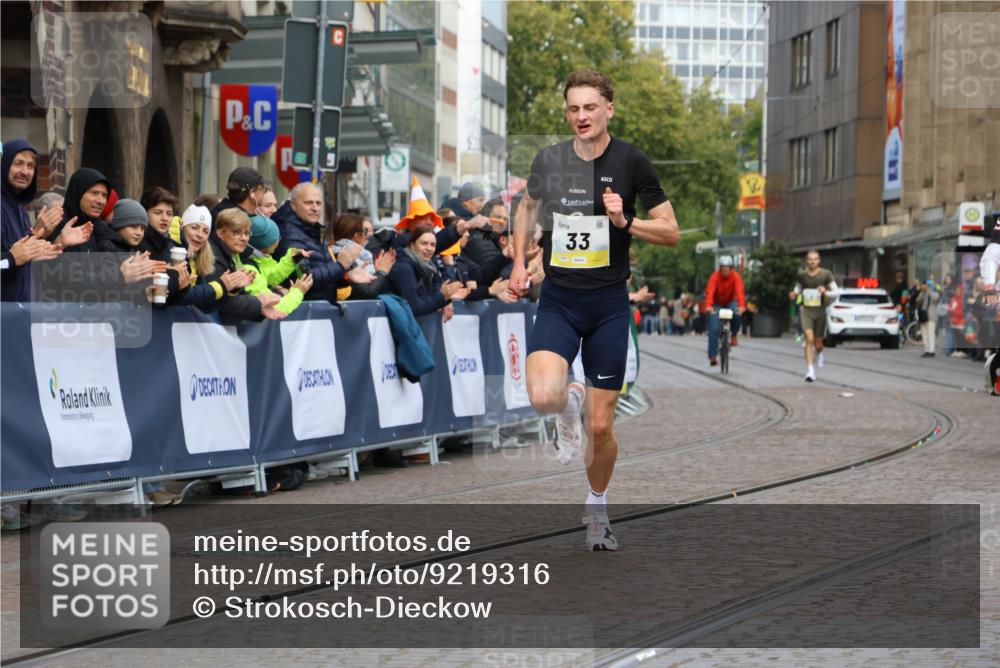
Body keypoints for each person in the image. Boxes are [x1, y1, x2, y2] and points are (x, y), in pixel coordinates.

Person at [509, 69, 679, 551]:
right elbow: (526, 207)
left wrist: (625, 221)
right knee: (543, 395)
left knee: (601, 427)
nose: (581, 116)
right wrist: (519, 261)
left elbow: (670, 231)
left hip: (607, 306)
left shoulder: (631, 161)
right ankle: (567, 409)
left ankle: (597, 509)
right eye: (573, 108)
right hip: (560, 300)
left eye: (589, 107)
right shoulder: (550, 159)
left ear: (609, 109)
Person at [273, 182, 357, 303]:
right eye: (308, 203)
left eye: (318, 203)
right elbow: (303, 278)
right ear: (294, 205)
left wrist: (346, 276)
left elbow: (324, 274)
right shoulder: (289, 235)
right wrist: (340, 266)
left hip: (319, 308)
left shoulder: (314, 230)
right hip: (301, 309)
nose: (315, 208)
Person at [1, 139, 63, 301]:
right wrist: (10, 259)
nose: (25, 172)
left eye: (30, 166)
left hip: (22, 311)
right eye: (18, 163)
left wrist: (41, 236)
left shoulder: (20, 210)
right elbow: (13, 257)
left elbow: (22, 255)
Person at [209, 207, 286, 322]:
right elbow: (223, 304)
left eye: (247, 233)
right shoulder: (214, 257)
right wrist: (259, 303)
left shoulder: (233, 254)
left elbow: (236, 294)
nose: (244, 238)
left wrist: (261, 306)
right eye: (237, 232)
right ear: (220, 233)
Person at [390, 223, 470, 320]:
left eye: (433, 245)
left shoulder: (429, 266)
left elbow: (431, 297)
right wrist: (443, 296)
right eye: (424, 243)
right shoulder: (404, 269)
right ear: (412, 245)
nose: (429, 248)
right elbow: (414, 308)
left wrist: (446, 297)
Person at [789, 249, 838, 382]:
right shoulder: (802, 275)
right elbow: (798, 288)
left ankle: (820, 352)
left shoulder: (826, 274)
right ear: (806, 261)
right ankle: (810, 371)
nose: (812, 262)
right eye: (810, 259)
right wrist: (794, 294)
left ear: (819, 261)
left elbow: (837, 292)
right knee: (809, 339)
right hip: (806, 310)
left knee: (818, 342)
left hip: (820, 311)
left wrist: (825, 291)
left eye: (815, 259)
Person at [325, 212, 395, 300]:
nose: (367, 235)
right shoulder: (348, 256)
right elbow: (366, 292)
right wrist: (381, 272)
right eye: (364, 231)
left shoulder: (332, 252)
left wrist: (376, 271)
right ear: (357, 236)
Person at [704, 256, 746, 366]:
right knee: (713, 327)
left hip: (731, 302)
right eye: (723, 268)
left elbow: (740, 291)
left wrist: (742, 306)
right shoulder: (714, 277)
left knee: (736, 314)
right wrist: (708, 306)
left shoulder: (736, 277)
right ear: (720, 268)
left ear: (731, 268)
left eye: (727, 268)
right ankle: (713, 356)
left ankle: (734, 335)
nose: (725, 270)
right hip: (717, 304)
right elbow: (710, 292)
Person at [916, 278, 940, 357]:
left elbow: (935, 298)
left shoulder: (934, 293)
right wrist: (922, 292)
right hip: (923, 316)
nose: (924, 286)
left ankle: (931, 351)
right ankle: (926, 350)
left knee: (930, 334)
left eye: (925, 285)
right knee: (924, 334)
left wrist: (928, 290)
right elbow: (917, 300)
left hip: (931, 316)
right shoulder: (923, 293)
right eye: (923, 285)